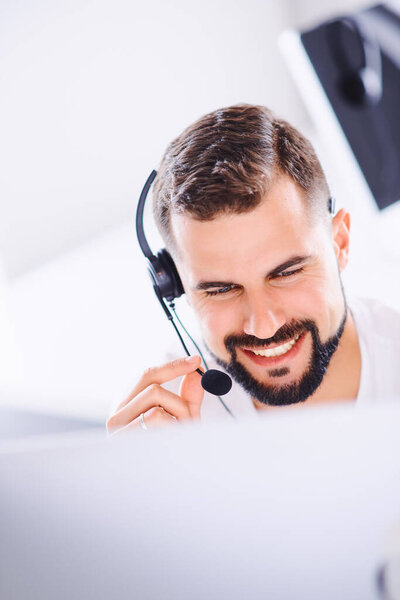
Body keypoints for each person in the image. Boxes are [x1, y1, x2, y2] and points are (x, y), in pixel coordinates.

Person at [107, 104, 400, 434]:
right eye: (221, 289)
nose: (263, 326)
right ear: (177, 287)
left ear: (340, 245)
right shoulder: (163, 427)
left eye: (286, 272)